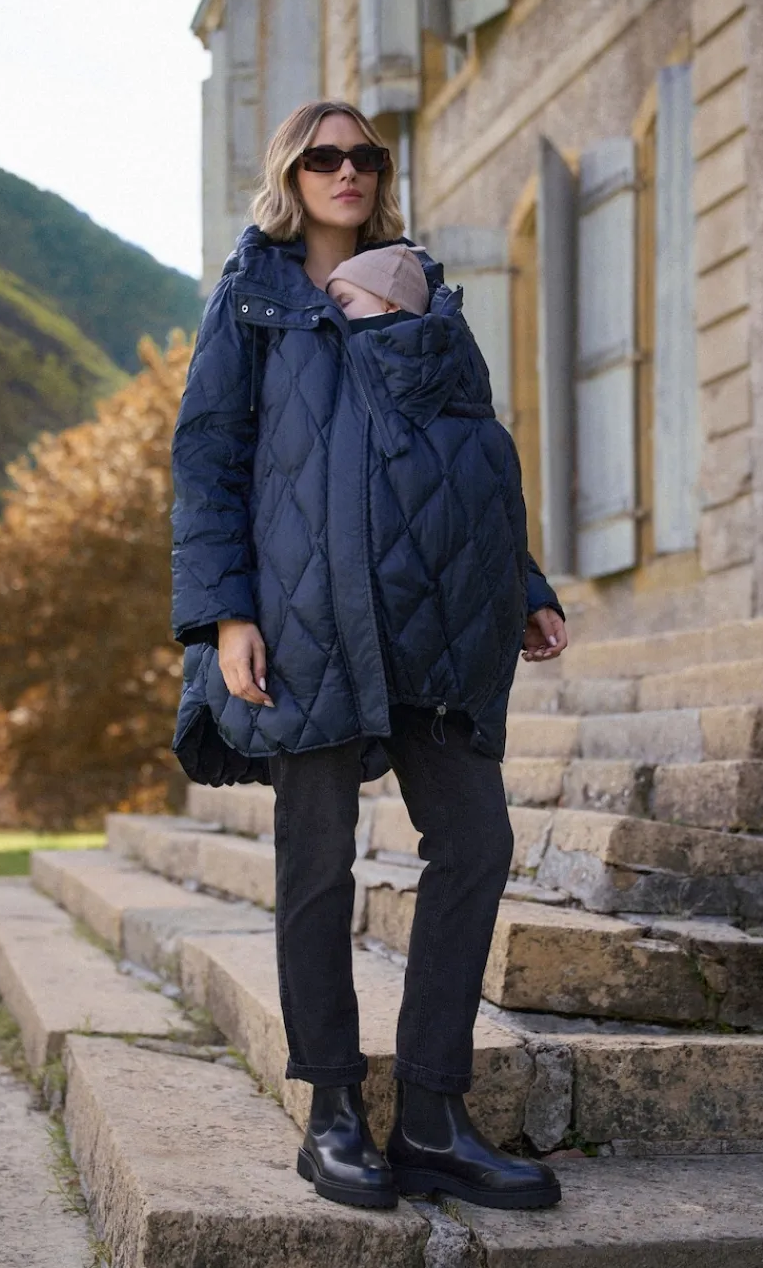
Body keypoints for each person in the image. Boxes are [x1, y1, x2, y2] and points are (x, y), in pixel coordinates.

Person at [170, 99, 568, 1213]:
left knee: (475, 840)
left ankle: (433, 1115)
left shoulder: (424, 292)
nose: (347, 171)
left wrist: (525, 585)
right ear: (290, 174)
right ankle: (334, 1112)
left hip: (431, 616)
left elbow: (472, 460)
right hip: (304, 617)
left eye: (365, 156)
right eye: (323, 156)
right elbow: (208, 463)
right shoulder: (250, 299)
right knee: (317, 863)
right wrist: (226, 616)